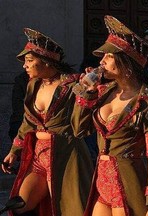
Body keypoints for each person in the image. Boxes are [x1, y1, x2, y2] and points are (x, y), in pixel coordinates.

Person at [71, 15, 148, 216]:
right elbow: (79, 129)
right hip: (101, 182)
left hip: (129, 182)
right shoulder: (103, 92)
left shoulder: (147, 102)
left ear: (125, 62)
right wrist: (87, 93)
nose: (101, 61)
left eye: (108, 56)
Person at [1, 28, 94, 216]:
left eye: (29, 61)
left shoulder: (72, 84)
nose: (24, 66)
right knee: (20, 206)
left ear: (45, 60)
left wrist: (89, 90)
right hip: (38, 157)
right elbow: (28, 122)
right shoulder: (33, 85)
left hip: (66, 156)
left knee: (66, 209)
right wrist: (14, 151)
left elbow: (83, 119)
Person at [8, 71, 29, 142]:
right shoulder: (22, 80)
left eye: (30, 60)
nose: (24, 65)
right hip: (23, 124)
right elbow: (18, 111)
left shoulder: (61, 82)